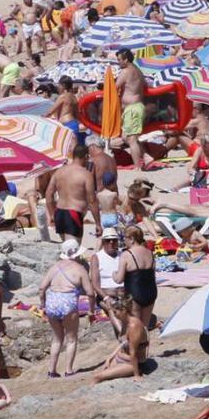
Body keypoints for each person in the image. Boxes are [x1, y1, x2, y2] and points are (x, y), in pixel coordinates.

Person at [39, 240, 95, 378]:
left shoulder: (54, 267)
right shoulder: (80, 269)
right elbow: (90, 293)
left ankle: (51, 370)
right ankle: (68, 370)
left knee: (57, 338)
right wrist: (91, 311)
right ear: (76, 254)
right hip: (68, 302)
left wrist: (42, 305)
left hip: (52, 302)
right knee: (71, 338)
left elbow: (42, 288)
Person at [44, 146, 102, 244]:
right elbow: (92, 201)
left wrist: (52, 214)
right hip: (74, 214)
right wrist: (97, 223)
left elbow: (48, 194)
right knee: (73, 250)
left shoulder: (59, 172)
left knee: (66, 247)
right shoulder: (86, 175)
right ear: (86, 156)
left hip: (59, 213)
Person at [92, 295, 149, 383]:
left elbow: (133, 352)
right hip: (120, 357)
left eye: (115, 312)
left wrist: (136, 375)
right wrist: (109, 358)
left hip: (131, 363)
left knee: (98, 377)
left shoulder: (134, 326)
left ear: (124, 311)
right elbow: (122, 344)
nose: (114, 315)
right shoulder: (125, 322)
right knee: (98, 375)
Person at [116, 227, 157, 328]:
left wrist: (113, 274)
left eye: (124, 237)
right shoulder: (150, 253)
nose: (124, 240)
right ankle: (146, 344)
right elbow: (153, 274)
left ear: (132, 239)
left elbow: (119, 279)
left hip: (134, 294)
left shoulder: (126, 254)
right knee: (145, 328)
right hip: (151, 292)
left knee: (135, 328)